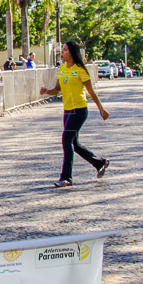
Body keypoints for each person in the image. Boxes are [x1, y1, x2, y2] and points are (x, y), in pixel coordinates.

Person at [39, 40, 110, 188]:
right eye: (62, 50)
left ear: (72, 52)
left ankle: (66, 178)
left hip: (79, 110)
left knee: (66, 140)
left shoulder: (80, 70)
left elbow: (92, 93)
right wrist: (47, 91)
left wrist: (101, 109)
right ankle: (99, 162)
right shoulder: (62, 69)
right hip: (68, 110)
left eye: (64, 50)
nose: (62, 52)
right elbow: (57, 89)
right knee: (74, 144)